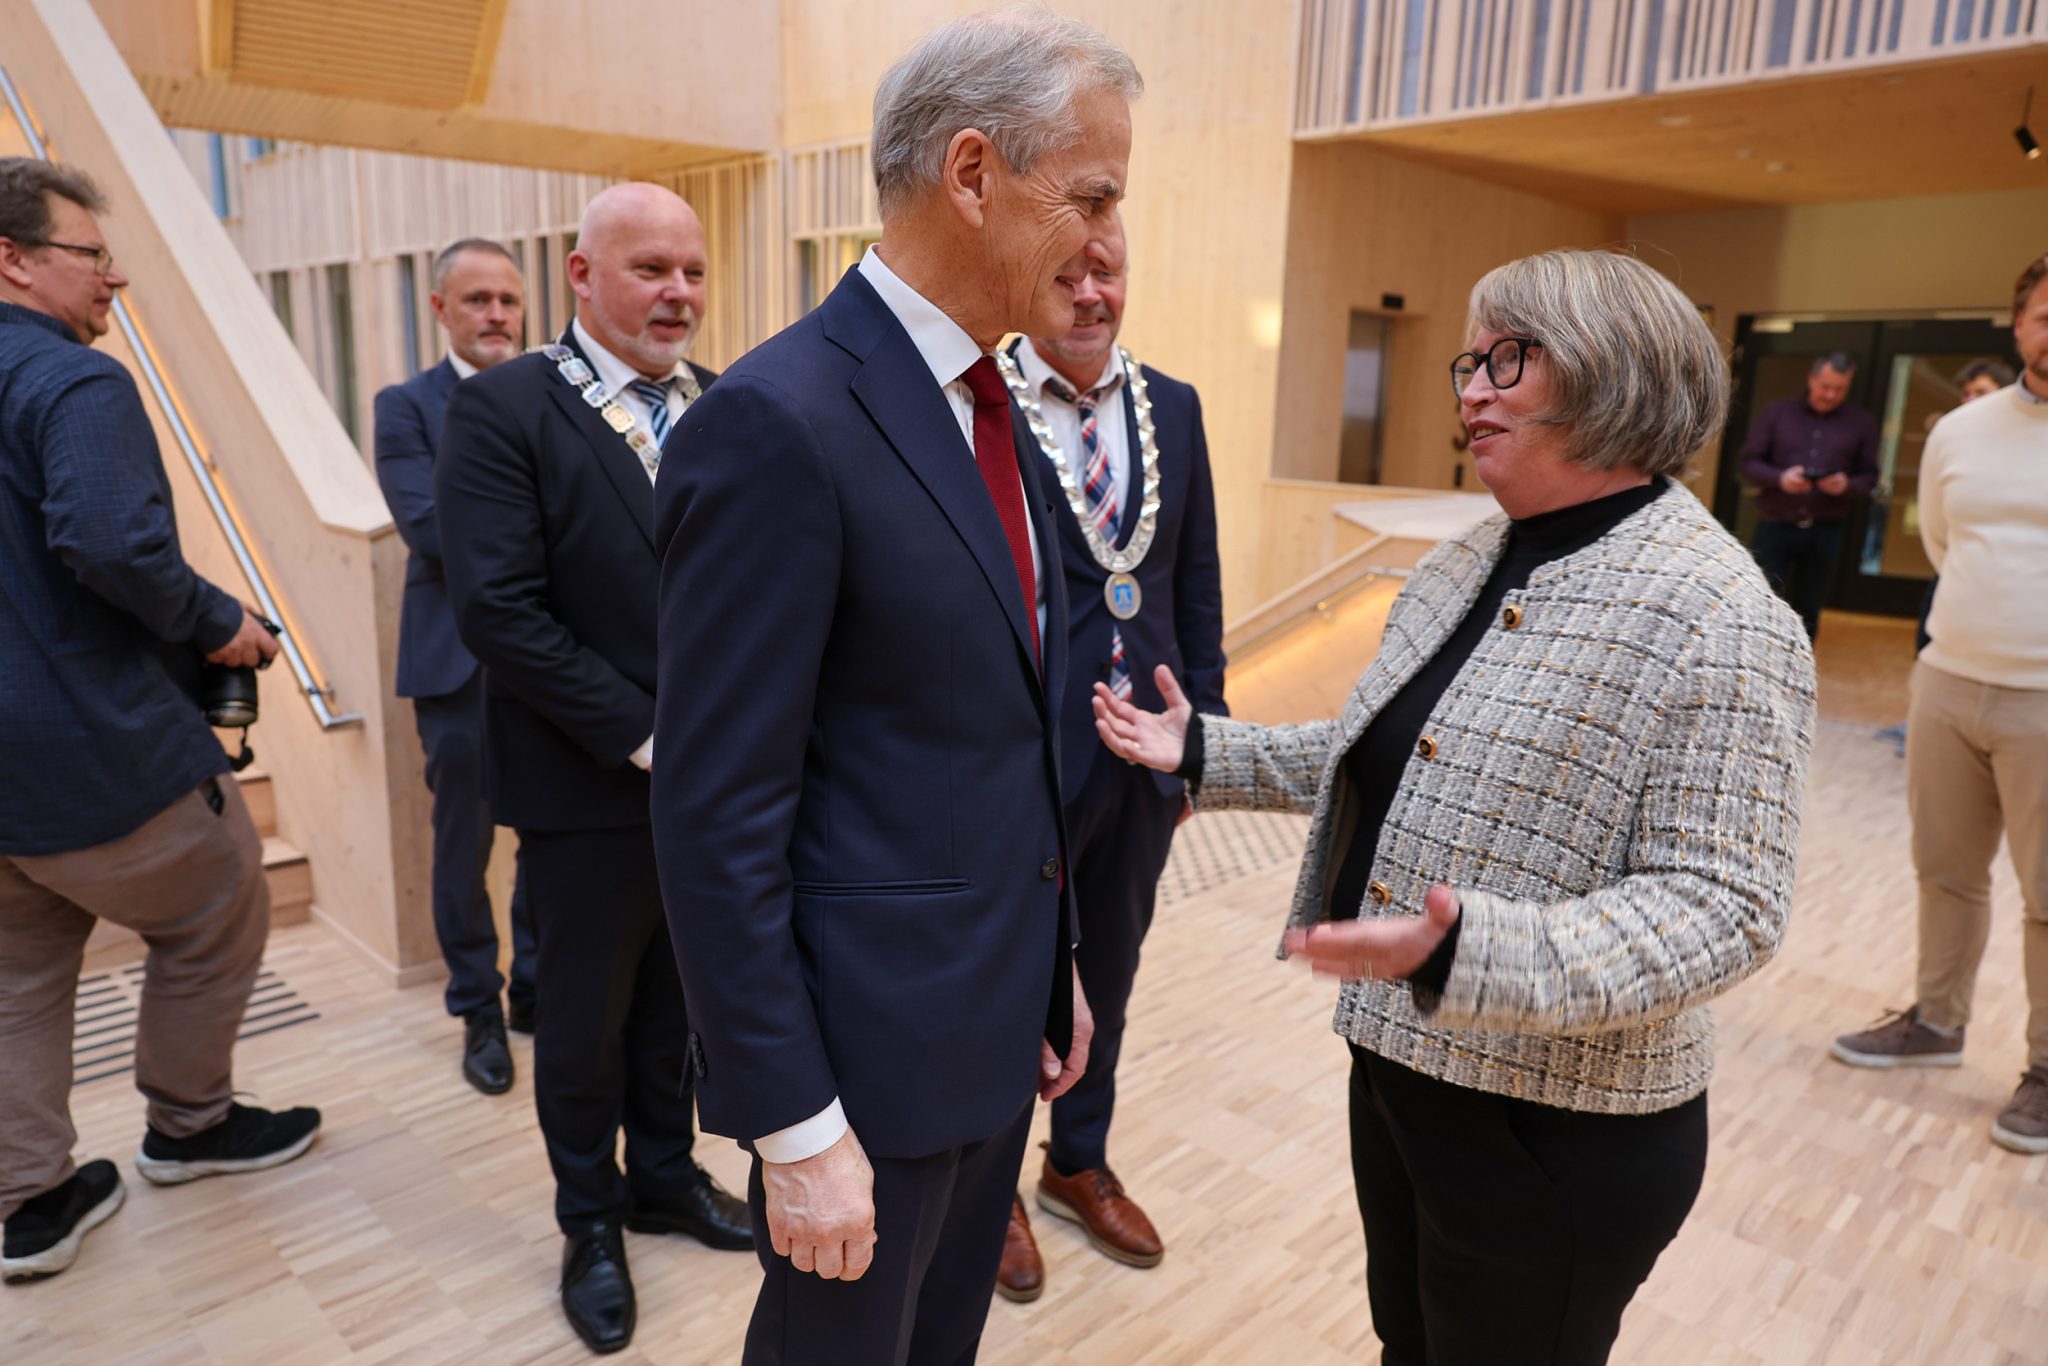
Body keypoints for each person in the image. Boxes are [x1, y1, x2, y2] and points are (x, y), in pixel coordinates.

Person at [1096, 249, 1816, 1365]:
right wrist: (1204, 751)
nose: (1470, 390)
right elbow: (1392, 750)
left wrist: (1471, 952)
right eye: (1467, 364)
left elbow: (1726, 906)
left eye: (1506, 359)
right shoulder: (1466, 559)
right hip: (1403, 1075)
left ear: (1614, 369)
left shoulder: (1720, 613)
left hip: (1559, 1130)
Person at [652, 13, 1138, 1363]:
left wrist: (1054, 967)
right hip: (857, 1075)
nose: (1108, 240)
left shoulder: (992, 404)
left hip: (987, 1031)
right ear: (973, 174)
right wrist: (792, 1122)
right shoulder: (777, 419)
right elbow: (714, 812)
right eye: (1092, 195)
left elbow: (994, 730)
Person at [435, 183, 750, 1355]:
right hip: (587, 788)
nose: (679, 293)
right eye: (650, 270)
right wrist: (650, 735)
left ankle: (663, 1176)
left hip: (719, 792)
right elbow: (499, 611)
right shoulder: (504, 408)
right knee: (582, 1023)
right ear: (579, 275)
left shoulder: (726, 403)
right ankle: (590, 1220)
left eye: (692, 271)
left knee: (679, 1003)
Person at [0, 158, 321, 1284]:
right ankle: (190, 1125)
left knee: (17, 977)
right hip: (94, 754)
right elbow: (110, 543)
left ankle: (30, 1200)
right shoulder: (73, 383)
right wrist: (218, 620)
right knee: (219, 898)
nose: (116, 276)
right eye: (92, 255)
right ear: (13, 260)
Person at [993, 257, 1226, 1301]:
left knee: (1113, 971)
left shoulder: (1174, 405)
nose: (1090, 293)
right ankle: (991, 1182)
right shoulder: (984, 399)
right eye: (1066, 273)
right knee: (1014, 976)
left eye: (1108, 273)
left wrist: (1203, 741)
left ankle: (1075, 1162)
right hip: (1026, 758)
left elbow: (1195, 580)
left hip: (1145, 761)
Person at [1831, 254, 2048, 1156]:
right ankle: (1936, 1021)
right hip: (1949, 682)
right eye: (2046, 315)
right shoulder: (1962, 430)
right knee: (1945, 870)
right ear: (2019, 323)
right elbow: (1947, 545)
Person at [373, 237, 538, 1098]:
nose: (496, 315)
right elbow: (429, 529)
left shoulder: (551, 393)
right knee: (463, 847)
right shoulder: (405, 408)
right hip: (456, 665)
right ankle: (479, 1006)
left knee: (551, 831)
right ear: (440, 308)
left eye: (508, 299)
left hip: (550, 658)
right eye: (478, 300)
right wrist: (548, 529)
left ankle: (534, 986)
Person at [1739, 352, 1880, 639]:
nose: (1830, 395)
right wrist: (1780, 478)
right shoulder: (1778, 413)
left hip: (1826, 529)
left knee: (1809, 606)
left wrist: (1846, 485)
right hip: (1775, 524)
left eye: (1839, 389)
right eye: (1825, 386)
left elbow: (1870, 477)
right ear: (1811, 379)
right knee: (1762, 599)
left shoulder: (1861, 422)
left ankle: (1800, 664)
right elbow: (1748, 463)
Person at [1913, 359, 2016, 654]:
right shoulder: (1952, 438)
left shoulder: (2022, 442)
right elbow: (1933, 519)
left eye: (1981, 392)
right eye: (1966, 394)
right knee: (1928, 645)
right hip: (1954, 564)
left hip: (2006, 574)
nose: (1971, 401)